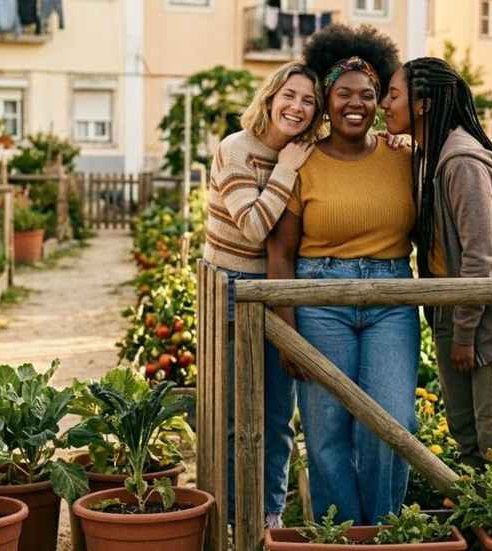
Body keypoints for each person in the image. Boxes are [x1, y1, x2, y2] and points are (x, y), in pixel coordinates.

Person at [267, 23, 419, 525]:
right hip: (318, 298)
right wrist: (287, 331)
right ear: (326, 99)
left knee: (393, 423)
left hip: (391, 299)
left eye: (368, 95)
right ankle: (341, 534)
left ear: (379, 102)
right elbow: (282, 254)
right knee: (327, 429)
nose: (356, 103)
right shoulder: (302, 161)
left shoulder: (403, 158)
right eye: (343, 94)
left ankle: (382, 531)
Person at [379, 57, 492, 468]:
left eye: (393, 95)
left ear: (424, 104)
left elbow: (480, 257)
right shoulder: (426, 158)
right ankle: (481, 534)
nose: (384, 103)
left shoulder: (462, 162)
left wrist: (465, 335)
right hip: (456, 310)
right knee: (467, 442)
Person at [201, 59, 324, 529]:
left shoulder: (304, 153)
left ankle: (269, 515)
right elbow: (253, 230)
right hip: (232, 291)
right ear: (270, 98)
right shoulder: (236, 150)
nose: (297, 106)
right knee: (237, 416)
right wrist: (286, 171)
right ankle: (234, 520)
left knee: (277, 416)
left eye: (308, 101)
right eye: (289, 95)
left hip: (276, 290)